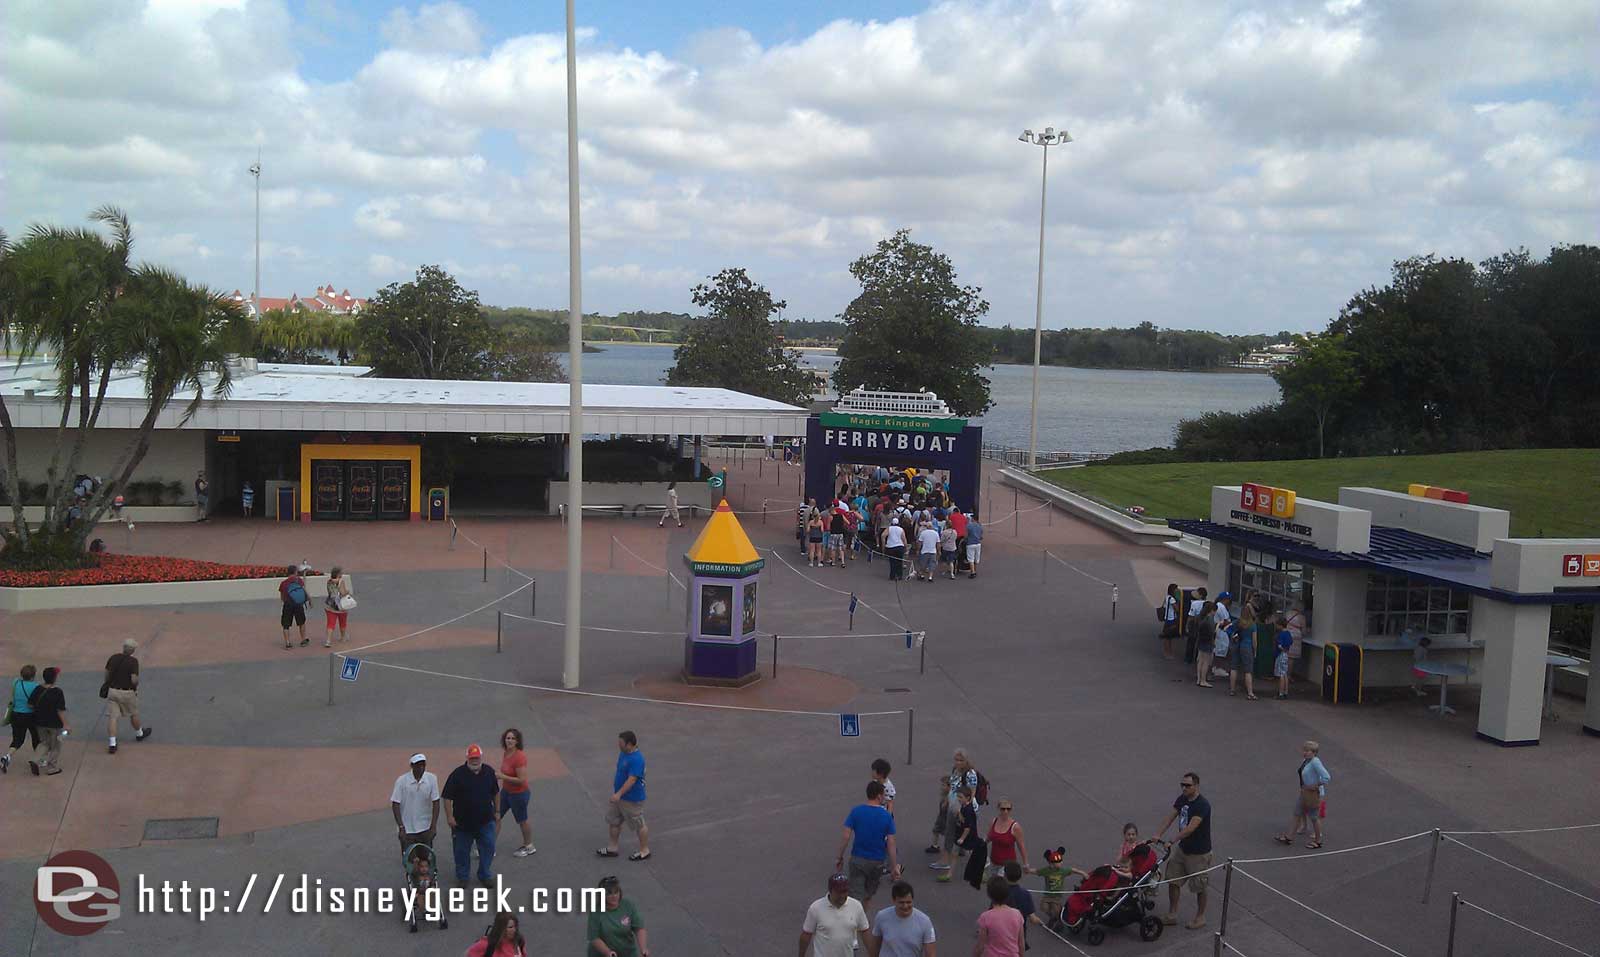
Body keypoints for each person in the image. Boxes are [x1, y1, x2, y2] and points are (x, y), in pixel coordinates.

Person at [1155, 771, 1212, 930]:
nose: (1184, 788)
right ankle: (1172, 914)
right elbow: (1171, 816)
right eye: (1182, 785)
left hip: (1198, 853)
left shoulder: (1202, 805)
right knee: (1173, 879)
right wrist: (1157, 834)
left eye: (1188, 785)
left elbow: (1191, 828)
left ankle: (1200, 917)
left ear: (1196, 786)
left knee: (1200, 886)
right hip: (1183, 849)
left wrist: (1172, 840)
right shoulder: (1182, 799)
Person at [836, 781, 900, 913]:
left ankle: (853, 923)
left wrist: (839, 856)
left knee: (855, 896)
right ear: (878, 796)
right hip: (877, 861)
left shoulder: (856, 812)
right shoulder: (886, 817)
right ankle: (863, 921)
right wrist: (894, 866)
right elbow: (891, 843)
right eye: (883, 795)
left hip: (858, 858)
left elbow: (846, 837)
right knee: (868, 895)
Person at [442, 743, 500, 885]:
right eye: (472, 758)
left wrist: (497, 811)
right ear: (467, 758)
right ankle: (463, 877)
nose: (474, 760)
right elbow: (447, 797)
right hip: (462, 824)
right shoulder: (457, 774)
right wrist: (450, 817)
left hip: (485, 822)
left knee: (488, 848)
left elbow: (496, 793)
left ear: (481, 757)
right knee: (461, 852)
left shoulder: (489, 772)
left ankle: (485, 875)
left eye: (477, 758)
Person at [598, 730, 649, 860]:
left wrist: (618, 794)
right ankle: (612, 848)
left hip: (631, 799)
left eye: (621, 743)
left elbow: (632, 780)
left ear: (630, 744)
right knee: (614, 821)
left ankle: (644, 850)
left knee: (639, 824)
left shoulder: (637, 759)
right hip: (619, 797)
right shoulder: (624, 753)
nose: (619, 745)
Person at [927, 749, 978, 866]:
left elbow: (972, 793)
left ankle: (945, 860)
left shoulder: (970, 774)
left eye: (961, 760)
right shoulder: (955, 770)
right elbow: (953, 787)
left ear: (966, 761)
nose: (958, 762)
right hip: (953, 804)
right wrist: (946, 799)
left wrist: (963, 810)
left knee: (953, 832)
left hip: (962, 808)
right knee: (959, 833)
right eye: (956, 760)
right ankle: (961, 851)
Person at [799, 873, 870, 957]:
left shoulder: (856, 906)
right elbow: (806, 935)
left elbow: (864, 931)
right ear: (830, 890)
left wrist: (873, 954)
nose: (842, 895)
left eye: (845, 891)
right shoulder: (816, 908)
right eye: (839, 892)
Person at [1276, 741, 1331, 849]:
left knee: (1314, 817)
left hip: (1313, 794)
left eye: (1307, 751)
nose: (1304, 752)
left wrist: (1314, 786)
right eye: (1304, 750)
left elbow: (1326, 777)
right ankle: (1289, 837)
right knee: (1297, 813)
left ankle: (1318, 841)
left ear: (1314, 752)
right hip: (1305, 792)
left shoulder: (1315, 762)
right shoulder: (1306, 761)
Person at [104, 639, 150, 753]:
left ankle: (112, 743)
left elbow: (106, 673)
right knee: (133, 713)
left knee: (113, 717)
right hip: (127, 692)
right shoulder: (133, 661)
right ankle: (139, 733)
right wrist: (136, 684)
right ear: (133, 650)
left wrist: (108, 684)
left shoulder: (113, 658)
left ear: (123, 647)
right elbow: (134, 679)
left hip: (113, 691)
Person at [495, 728, 536, 858]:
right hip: (506, 792)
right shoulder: (506, 752)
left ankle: (529, 846)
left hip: (518, 794)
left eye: (513, 738)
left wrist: (502, 776)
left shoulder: (519, 757)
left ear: (517, 741)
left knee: (522, 820)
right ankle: (489, 845)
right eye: (508, 738)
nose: (510, 740)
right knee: (495, 816)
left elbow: (521, 780)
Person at [868, 880, 935, 957]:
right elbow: (874, 947)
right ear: (894, 901)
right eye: (901, 902)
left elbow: (930, 954)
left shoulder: (925, 921)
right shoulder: (882, 917)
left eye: (908, 902)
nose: (905, 906)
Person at [588, 875, 649, 957]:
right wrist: (607, 952)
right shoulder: (596, 911)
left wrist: (643, 948)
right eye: (609, 893)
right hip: (603, 954)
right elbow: (594, 938)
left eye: (616, 892)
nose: (614, 896)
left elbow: (639, 928)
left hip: (628, 952)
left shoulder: (628, 905)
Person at [392, 752, 441, 850]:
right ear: (412, 766)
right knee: (411, 862)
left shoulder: (432, 779)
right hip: (408, 830)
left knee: (425, 862)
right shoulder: (401, 781)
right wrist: (401, 827)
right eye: (418, 765)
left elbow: (436, 802)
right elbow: (395, 804)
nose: (421, 768)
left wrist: (433, 826)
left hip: (425, 828)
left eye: (423, 765)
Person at [28, 667, 69, 776]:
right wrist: (66, 724)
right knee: (56, 745)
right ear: (55, 678)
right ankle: (52, 768)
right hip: (54, 724)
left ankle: (35, 759)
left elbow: (30, 704)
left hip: (39, 722)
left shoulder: (38, 689)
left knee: (44, 743)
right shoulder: (57, 692)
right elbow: (60, 710)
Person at [1034, 847, 1086, 930]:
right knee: (1044, 907)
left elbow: (1073, 870)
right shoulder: (1046, 871)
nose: (1061, 863)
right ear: (1051, 864)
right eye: (1058, 862)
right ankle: (1053, 917)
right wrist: (1028, 870)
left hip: (1057, 895)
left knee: (1056, 910)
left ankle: (1059, 921)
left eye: (1061, 861)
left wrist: (1083, 873)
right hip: (1048, 894)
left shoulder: (1063, 871)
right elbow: (1037, 872)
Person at [2, 664, 41, 774]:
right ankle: (37, 759)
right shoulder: (36, 687)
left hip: (16, 715)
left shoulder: (16, 682)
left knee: (17, 740)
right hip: (30, 716)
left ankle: (7, 756)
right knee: (36, 737)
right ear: (33, 676)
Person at [936, 787, 979, 884]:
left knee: (973, 854)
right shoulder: (963, 807)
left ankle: (981, 871)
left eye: (960, 797)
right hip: (960, 834)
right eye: (957, 797)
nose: (958, 799)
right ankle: (949, 874)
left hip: (968, 836)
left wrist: (962, 838)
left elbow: (968, 827)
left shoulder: (968, 810)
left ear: (968, 798)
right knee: (955, 854)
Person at [974, 875, 1025, 957]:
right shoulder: (1017, 914)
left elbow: (980, 945)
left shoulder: (986, 917)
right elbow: (1021, 943)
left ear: (989, 894)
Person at [985, 799, 1028, 881]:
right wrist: (979, 847)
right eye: (1003, 809)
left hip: (1008, 865)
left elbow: (1021, 846)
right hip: (994, 861)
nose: (1005, 811)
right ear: (998, 809)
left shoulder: (1015, 827)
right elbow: (988, 838)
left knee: (1001, 886)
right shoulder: (994, 822)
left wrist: (1025, 864)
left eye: (1008, 809)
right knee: (994, 886)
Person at [1229, 606, 1259, 700]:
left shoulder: (1237, 622)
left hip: (1236, 645)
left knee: (1234, 667)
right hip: (1247, 646)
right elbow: (1254, 640)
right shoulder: (1252, 625)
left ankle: (1232, 690)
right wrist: (1255, 650)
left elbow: (1229, 630)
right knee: (1248, 670)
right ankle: (1250, 692)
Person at [279, 564, 310, 649]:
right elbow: (304, 591)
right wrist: (309, 600)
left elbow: (282, 597)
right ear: (295, 572)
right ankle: (303, 640)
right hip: (298, 604)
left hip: (288, 604)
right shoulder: (299, 580)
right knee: (301, 622)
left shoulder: (283, 583)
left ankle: (287, 642)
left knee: (286, 624)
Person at [323, 565, 353, 647]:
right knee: (342, 622)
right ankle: (343, 637)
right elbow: (342, 593)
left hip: (330, 605)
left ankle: (328, 640)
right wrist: (347, 592)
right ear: (338, 574)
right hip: (340, 606)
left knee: (330, 624)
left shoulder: (329, 581)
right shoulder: (341, 581)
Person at [1192, 602, 1217, 688]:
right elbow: (1212, 632)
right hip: (1208, 642)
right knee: (1206, 661)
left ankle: (1199, 679)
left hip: (1201, 640)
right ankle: (1203, 680)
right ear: (1212, 610)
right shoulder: (1210, 620)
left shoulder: (1201, 618)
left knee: (1200, 660)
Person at [1183, 587, 1208, 664]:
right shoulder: (1207, 603)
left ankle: (1188, 659)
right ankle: (1197, 658)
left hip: (1194, 624)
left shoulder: (1194, 603)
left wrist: (1187, 626)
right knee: (1200, 642)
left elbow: (1191, 616)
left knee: (1191, 641)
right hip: (1204, 624)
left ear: (1200, 595)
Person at [883, 516, 908, 582]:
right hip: (899, 546)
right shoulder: (901, 529)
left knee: (892, 561)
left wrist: (884, 544)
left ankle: (892, 575)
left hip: (891, 547)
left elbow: (883, 535)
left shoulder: (889, 528)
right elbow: (904, 539)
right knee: (899, 561)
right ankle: (899, 575)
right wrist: (905, 547)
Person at [1160, 583, 1181, 660]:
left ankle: (1167, 652)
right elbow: (1177, 609)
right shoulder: (1172, 599)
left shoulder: (1167, 597)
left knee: (1167, 637)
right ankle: (1168, 653)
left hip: (1167, 618)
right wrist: (1178, 601)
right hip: (1171, 619)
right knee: (1168, 637)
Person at [1274, 624, 1294, 699]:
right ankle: (1286, 692)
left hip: (1281, 654)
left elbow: (1279, 645)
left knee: (1281, 674)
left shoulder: (1281, 634)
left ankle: (1281, 693)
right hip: (1286, 655)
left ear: (1280, 625)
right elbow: (1291, 642)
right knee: (1285, 674)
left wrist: (1282, 649)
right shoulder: (1288, 633)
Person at [964, 513, 983, 579]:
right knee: (976, 559)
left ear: (973, 519)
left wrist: (965, 540)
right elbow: (981, 536)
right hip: (978, 543)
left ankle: (972, 572)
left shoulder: (969, 526)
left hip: (970, 543)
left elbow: (966, 535)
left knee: (970, 558)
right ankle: (975, 570)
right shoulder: (980, 526)